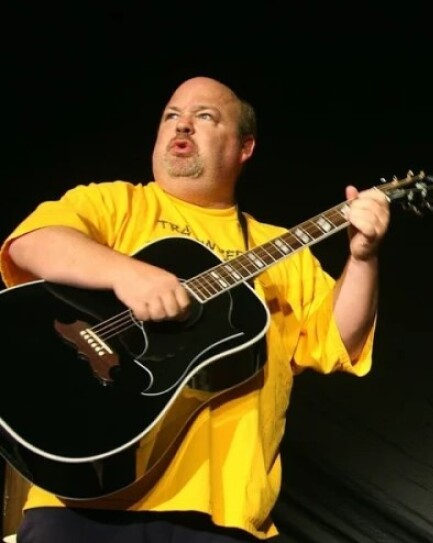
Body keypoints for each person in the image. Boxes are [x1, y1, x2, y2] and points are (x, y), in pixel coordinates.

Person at [0, 76, 390, 542]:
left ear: (245, 147)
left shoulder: (280, 249)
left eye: (204, 117)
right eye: (171, 116)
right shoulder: (115, 203)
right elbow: (32, 243)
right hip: (82, 504)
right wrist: (127, 273)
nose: (182, 126)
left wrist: (363, 257)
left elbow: (340, 341)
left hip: (221, 518)